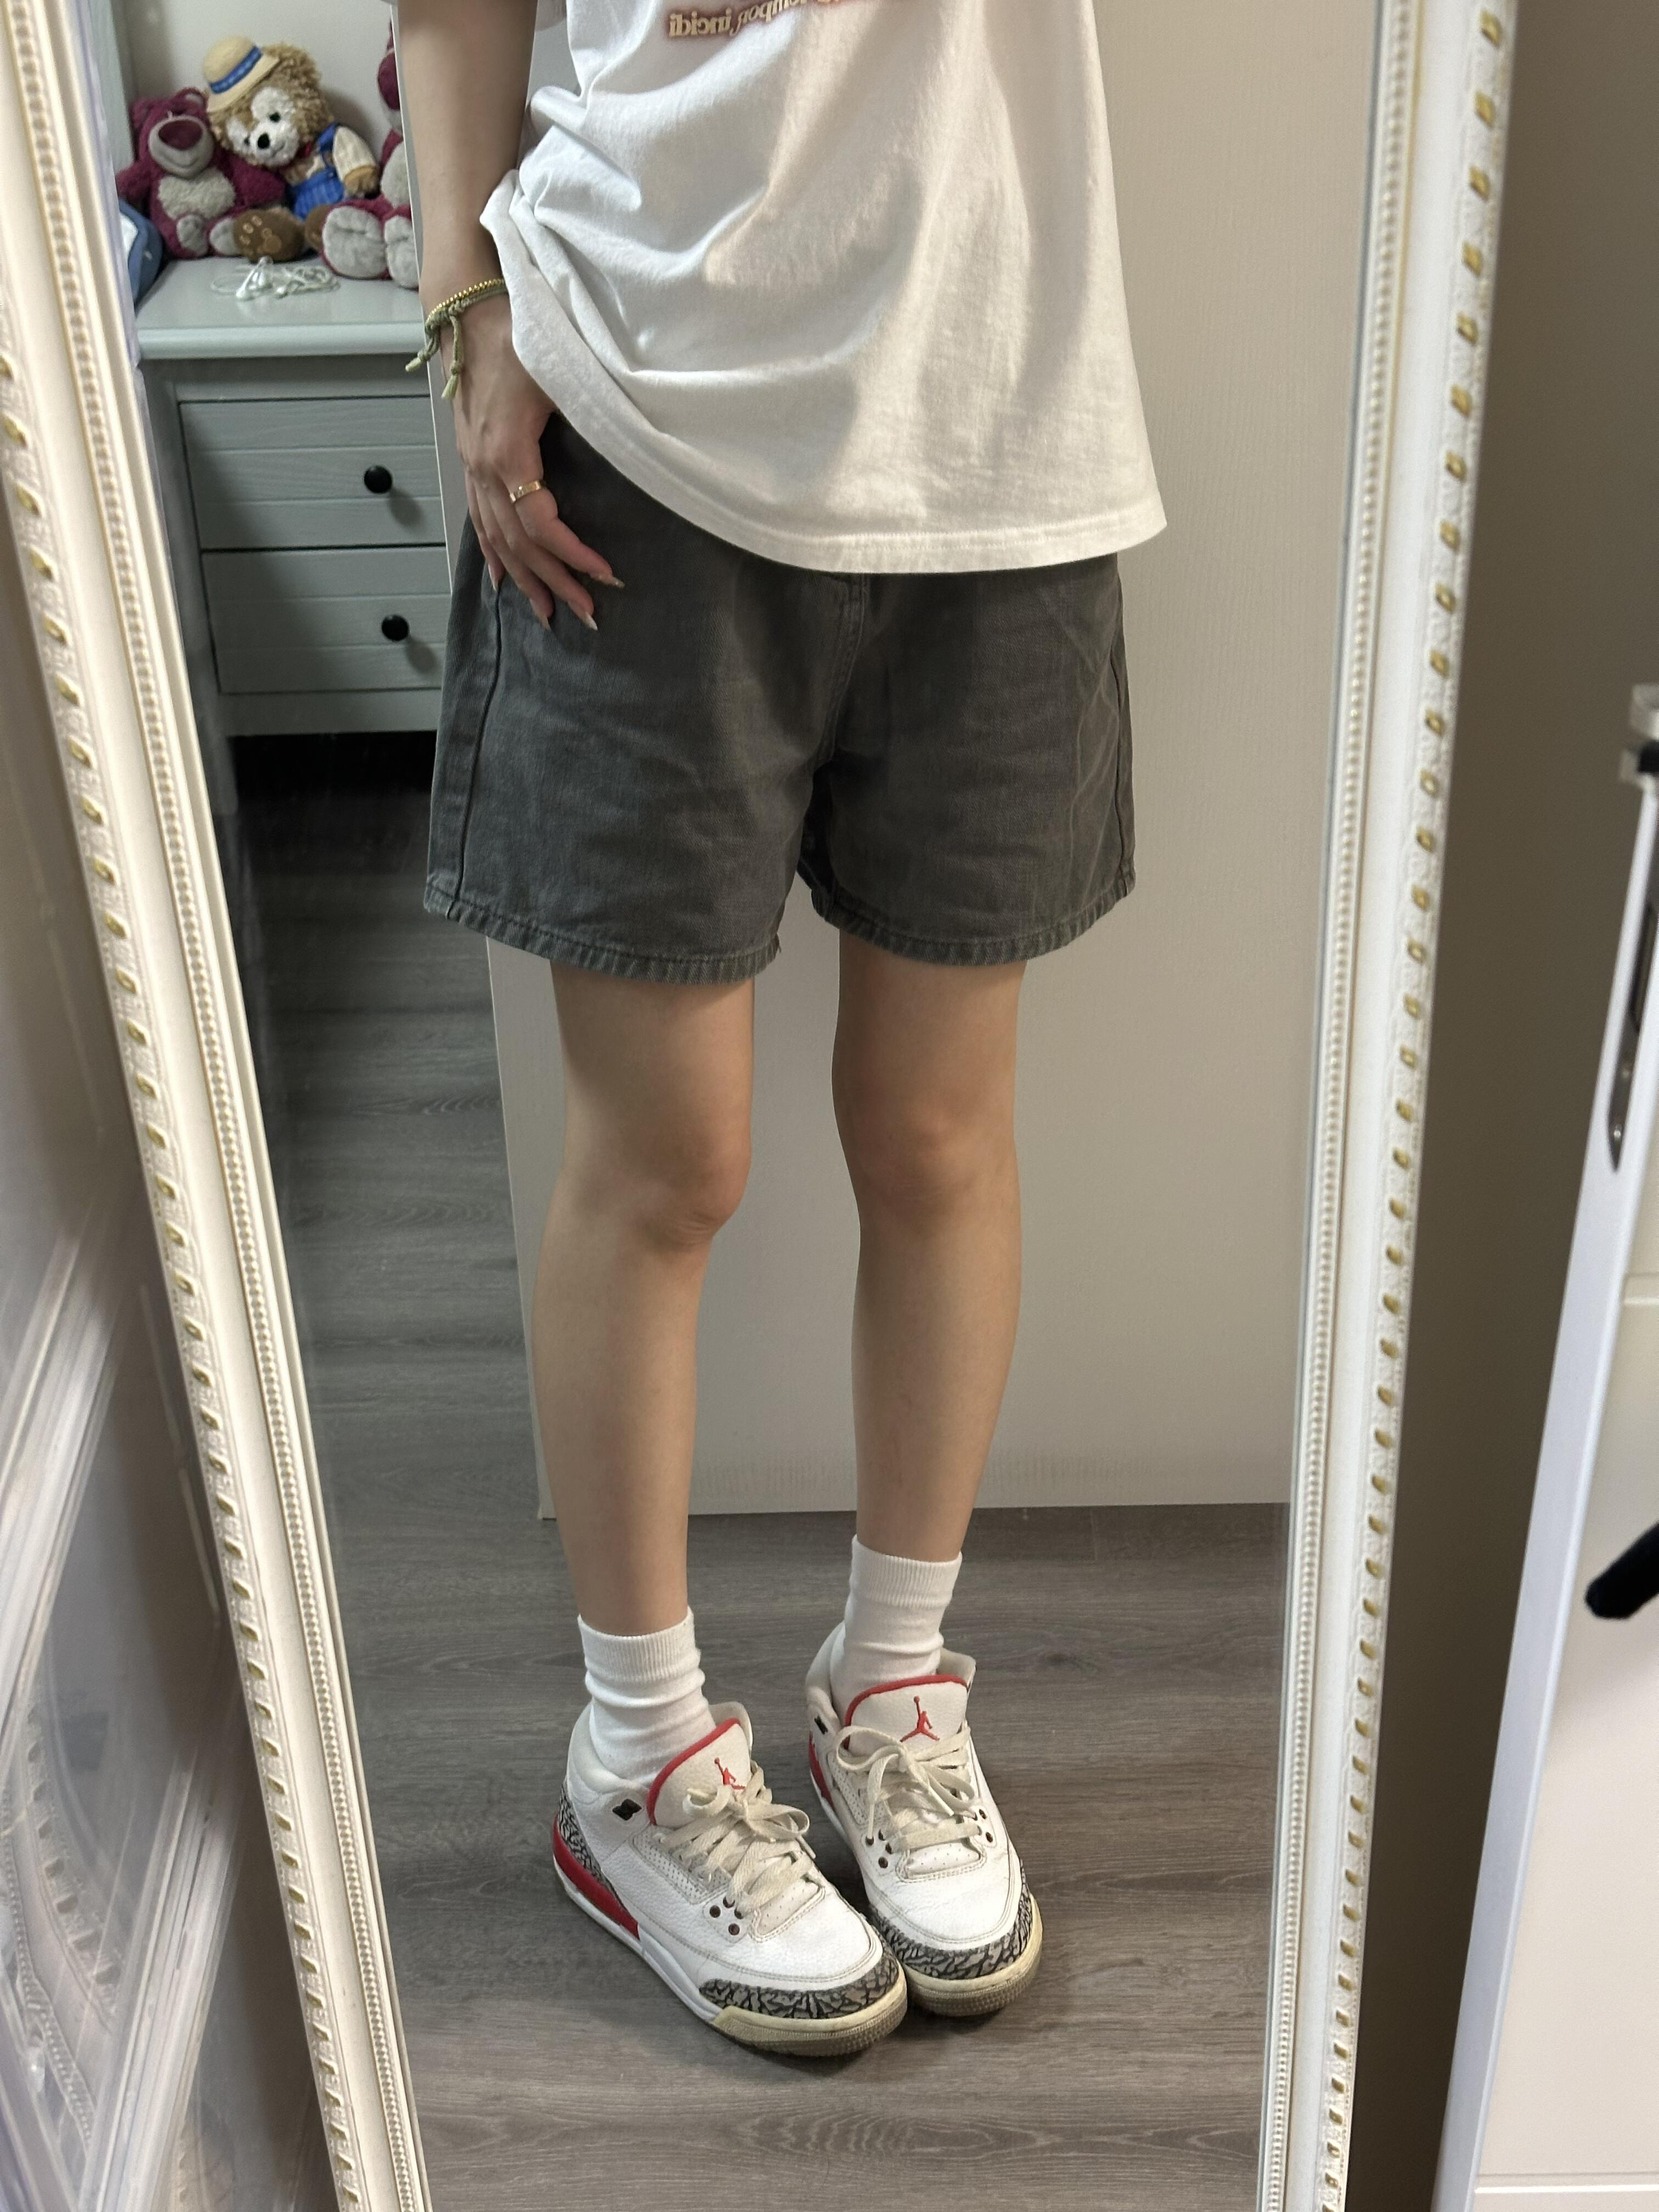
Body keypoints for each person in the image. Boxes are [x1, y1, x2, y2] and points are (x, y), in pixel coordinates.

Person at [398, 0, 1163, 2055]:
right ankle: (638, 1757)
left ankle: (890, 1687)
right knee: (666, 1165)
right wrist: (465, 310)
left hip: (996, 416)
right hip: (624, 422)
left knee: (938, 1136)